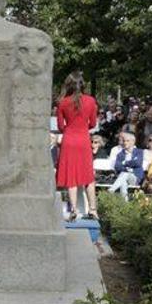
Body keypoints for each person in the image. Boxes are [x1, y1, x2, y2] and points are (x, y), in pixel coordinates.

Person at [55, 72, 99, 221]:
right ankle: (93, 210)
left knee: (71, 177)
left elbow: (61, 126)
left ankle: (74, 210)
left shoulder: (62, 102)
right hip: (83, 140)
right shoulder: (91, 101)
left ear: (68, 85)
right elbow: (93, 123)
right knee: (88, 176)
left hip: (69, 140)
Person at [107, 132, 144, 200]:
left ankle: (112, 189)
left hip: (135, 177)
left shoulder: (139, 152)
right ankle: (125, 203)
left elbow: (138, 163)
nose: (125, 143)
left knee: (124, 174)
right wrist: (129, 168)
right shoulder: (120, 154)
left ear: (133, 141)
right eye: (124, 141)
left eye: (127, 141)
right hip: (123, 177)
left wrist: (124, 163)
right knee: (123, 182)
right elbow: (117, 166)